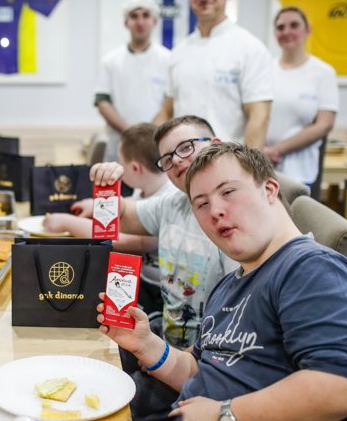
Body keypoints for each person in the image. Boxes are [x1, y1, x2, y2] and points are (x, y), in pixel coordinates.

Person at [97, 142, 347, 421]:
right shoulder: (232, 282)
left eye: (228, 192)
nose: (215, 211)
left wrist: (223, 417)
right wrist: (146, 345)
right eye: (202, 203)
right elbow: (202, 371)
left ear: (269, 190)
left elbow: (342, 388)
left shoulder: (310, 268)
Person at [87, 116, 237, 350]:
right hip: (167, 344)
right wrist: (107, 184)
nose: (176, 160)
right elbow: (122, 215)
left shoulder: (235, 219)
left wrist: (167, 359)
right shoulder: (173, 203)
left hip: (207, 358)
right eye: (167, 158)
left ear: (215, 145)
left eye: (186, 147)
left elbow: (237, 318)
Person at [43, 123, 176, 314]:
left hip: (155, 292)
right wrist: (96, 205)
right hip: (140, 278)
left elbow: (134, 242)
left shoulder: (168, 198)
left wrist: (68, 223)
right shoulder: (147, 186)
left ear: (135, 168)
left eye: (120, 162)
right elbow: (134, 204)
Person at [155, 0, 272, 149]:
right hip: (182, 160)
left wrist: (246, 166)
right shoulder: (179, 51)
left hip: (227, 160)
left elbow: (259, 118)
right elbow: (166, 112)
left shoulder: (250, 48)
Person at [264, 6, 339, 186]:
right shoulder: (264, 68)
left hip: (299, 171)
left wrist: (277, 150)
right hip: (262, 167)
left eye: (294, 25)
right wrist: (260, 152)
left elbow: (324, 124)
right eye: (281, 27)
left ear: (308, 30)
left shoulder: (323, 72)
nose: (287, 32)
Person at [94, 0, 171, 162]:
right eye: (134, 16)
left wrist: (148, 135)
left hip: (155, 145)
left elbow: (169, 103)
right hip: (119, 146)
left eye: (146, 15)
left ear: (155, 21)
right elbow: (102, 102)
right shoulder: (111, 61)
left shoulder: (168, 60)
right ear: (126, 22)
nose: (140, 22)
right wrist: (131, 133)